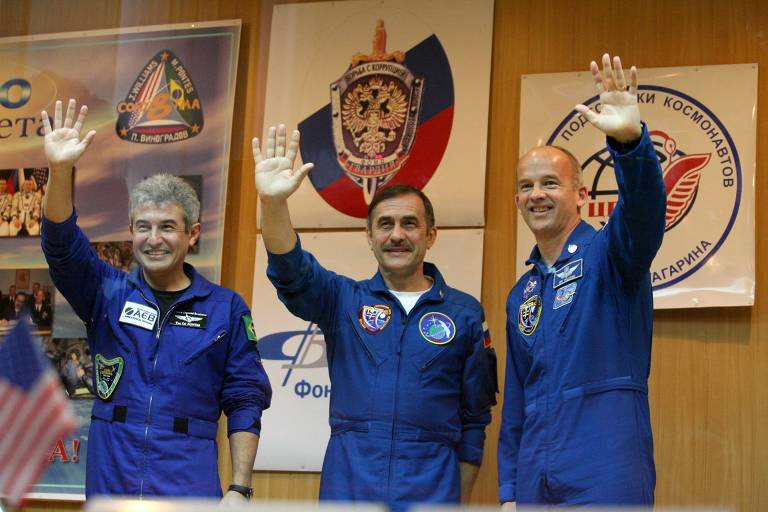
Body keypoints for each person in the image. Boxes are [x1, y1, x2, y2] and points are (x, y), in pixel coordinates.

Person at [253, 127, 497, 511]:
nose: (396, 235)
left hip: (432, 490)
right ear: (368, 236)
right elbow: (291, 272)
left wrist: (457, 501)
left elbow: (475, 419)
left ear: (430, 235)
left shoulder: (465, 314)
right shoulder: (342, 300)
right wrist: (272, 203)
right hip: (350, 487)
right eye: (385, 224)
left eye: (409, 224)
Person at [39, 99, 272, 501]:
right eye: (143, 227)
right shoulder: (105, 292)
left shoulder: (225, 310)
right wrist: (60, 171)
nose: (154, 238)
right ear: (131, 230)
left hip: (187, 476)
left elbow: (245, 398)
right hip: (114, 473)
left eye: (167, 227)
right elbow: (61, 245)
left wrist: (240, 487)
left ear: (193, 234)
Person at [498, 54, 665, 509]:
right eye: (527, 187)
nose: (537, 194)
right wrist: (510, 489)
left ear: (581, 193)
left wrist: (629, 145)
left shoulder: (612, 254)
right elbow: (517, 397)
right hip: (535, 471)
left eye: (550, 182)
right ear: (517, 200)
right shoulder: (521, 295)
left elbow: (645, 216)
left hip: (605, 461)